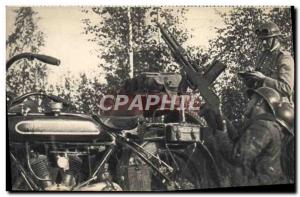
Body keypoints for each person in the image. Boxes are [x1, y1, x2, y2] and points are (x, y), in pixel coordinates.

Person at [203, 87, 288, 186]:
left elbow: (237, 156)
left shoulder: (263, 126)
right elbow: (237, 140)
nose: (247, 103)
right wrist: (219, 117)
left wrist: (221, 133)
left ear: (259, 102)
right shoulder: (265, 125)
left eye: (251, 100)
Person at [242, 21, 294, 102]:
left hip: (279, 106)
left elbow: (287, 89)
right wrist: (249, 78)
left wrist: (263, 79)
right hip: (261, 102)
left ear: (276, 38)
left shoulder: (284, 57)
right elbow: (256, 85)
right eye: (262, 40)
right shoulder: (262, 56)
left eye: (267, 39)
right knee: (247, 112)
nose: (264, 42)